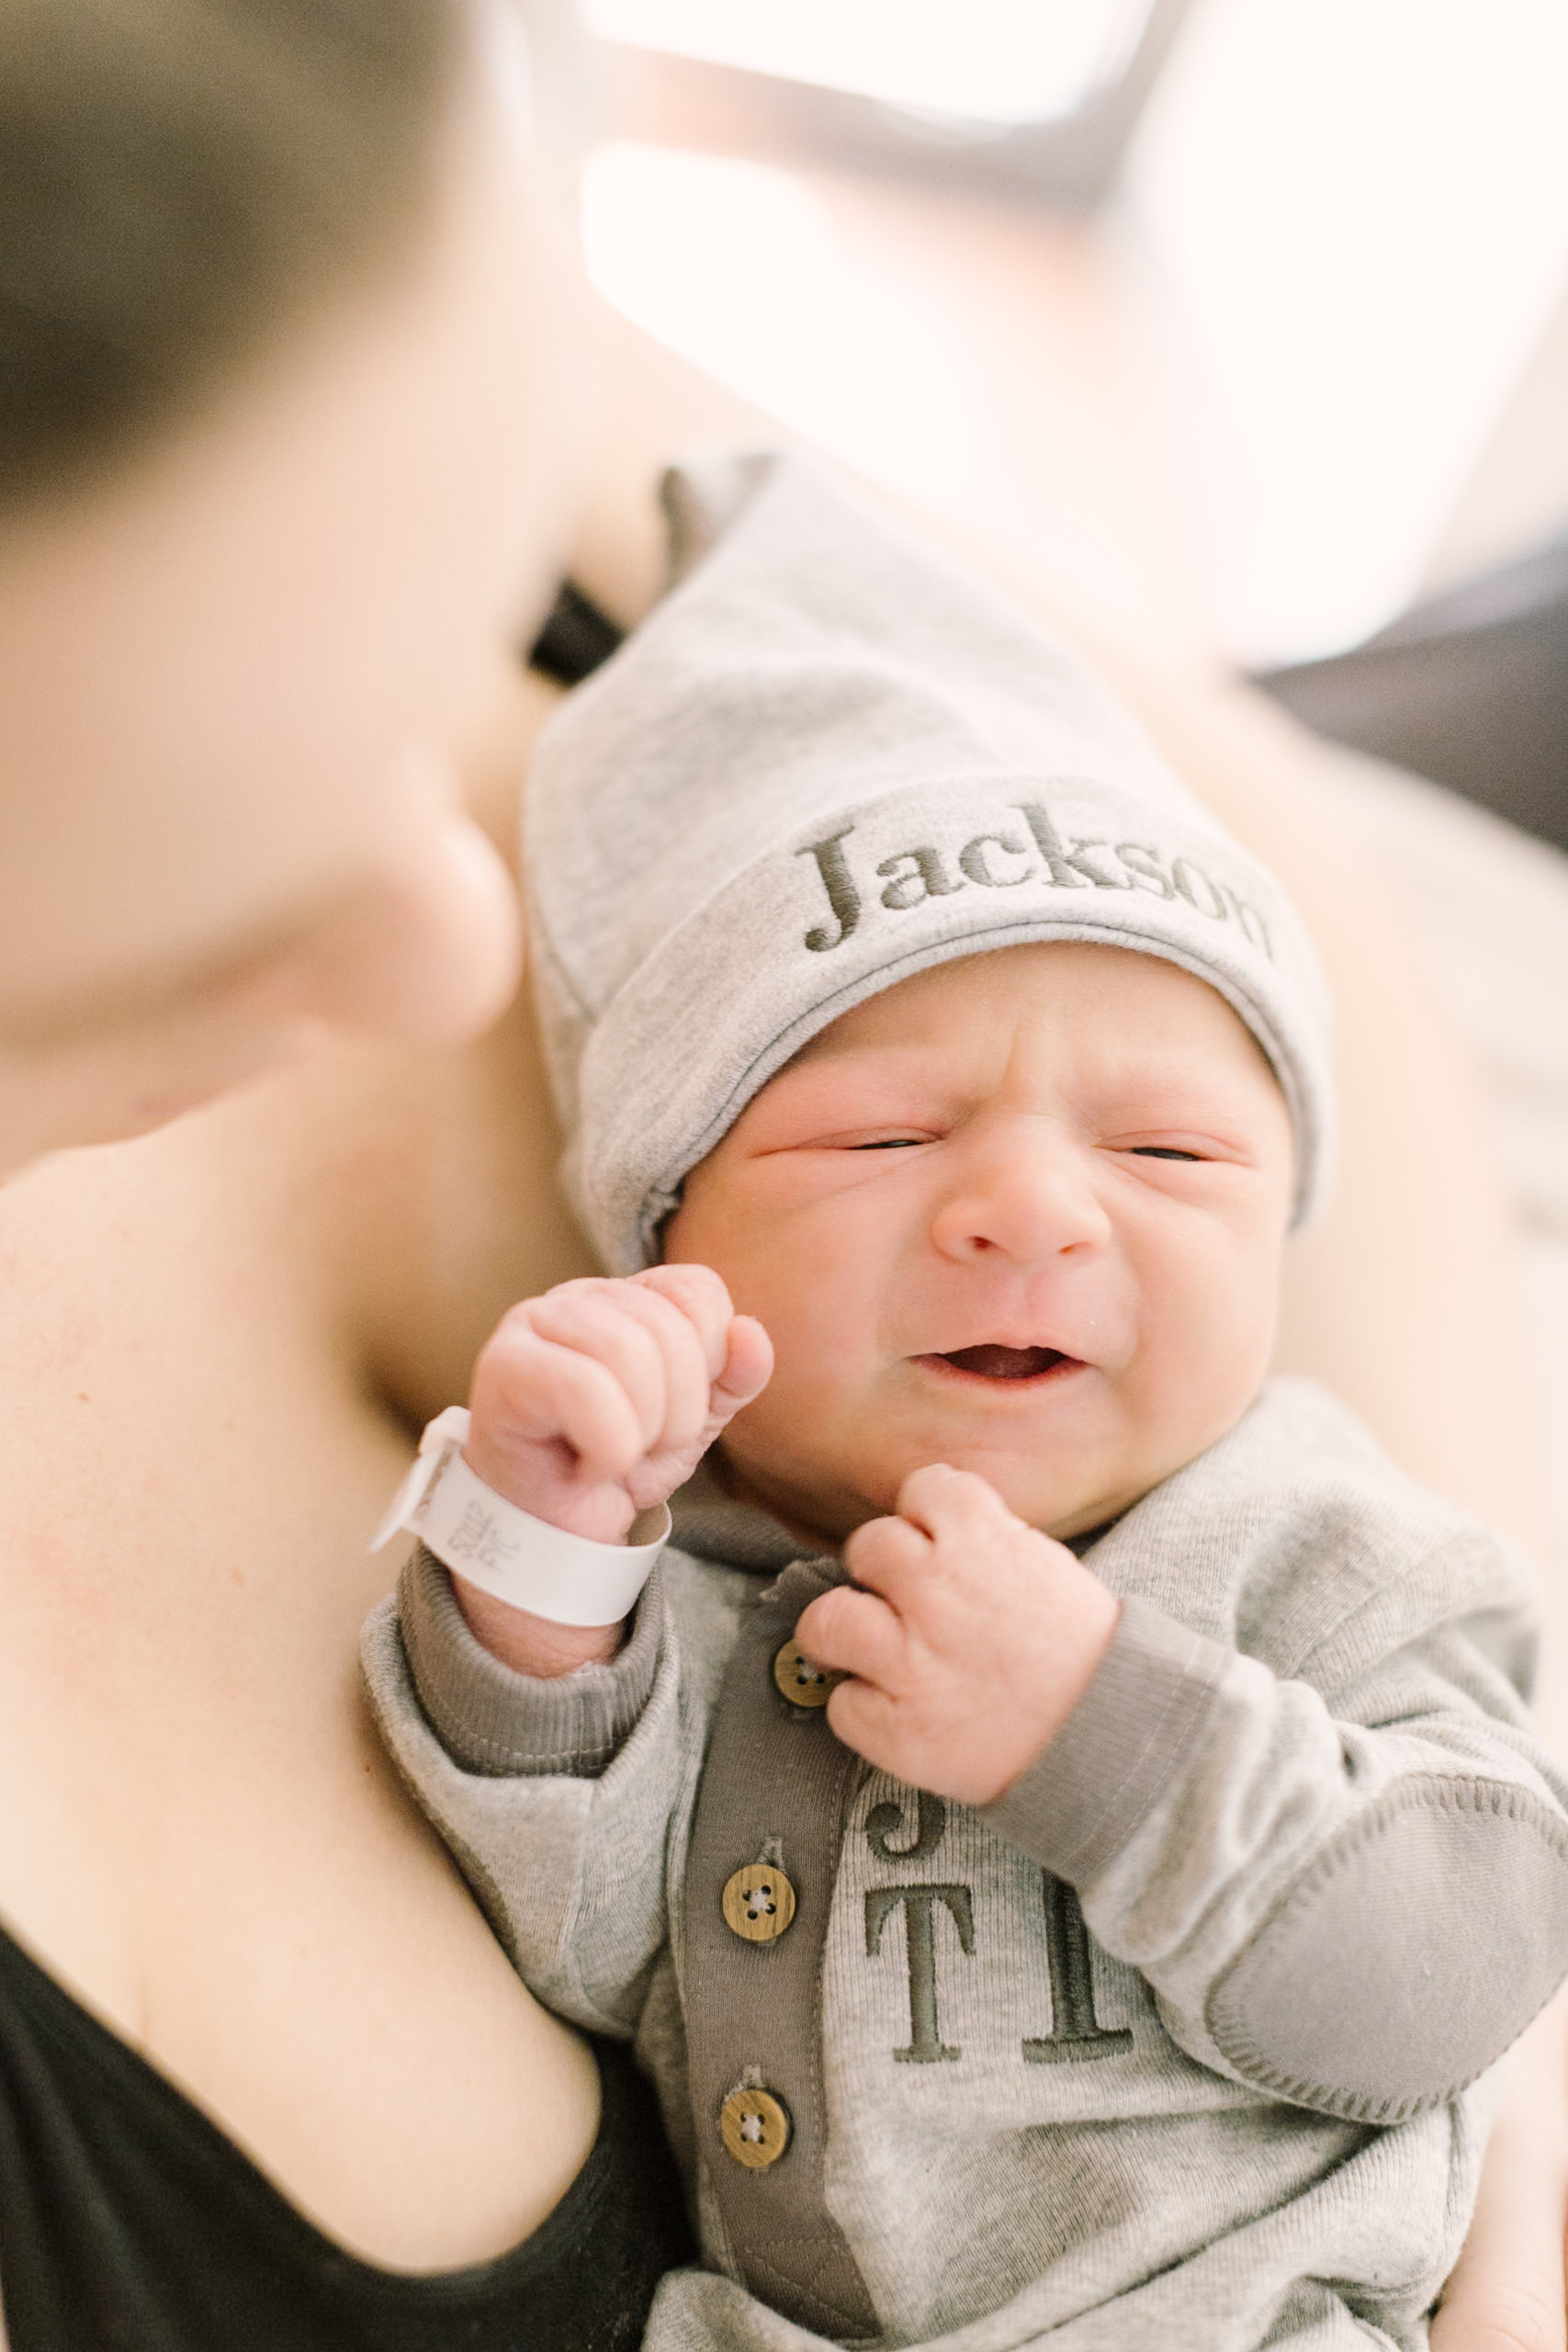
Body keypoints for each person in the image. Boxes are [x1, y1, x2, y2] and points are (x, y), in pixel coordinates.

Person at [0, 0, 1562, 2344]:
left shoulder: (234, 148)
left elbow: (1227, 859)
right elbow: (613, 1870)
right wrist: (533, 1576)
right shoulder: (751, 1616)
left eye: (433, 655)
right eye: (190, 894)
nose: (467, 944)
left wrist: (1481, 2080)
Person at [366, 455, 1568, 2348]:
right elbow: (591, 1932)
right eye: (883, 1129)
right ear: (671, 1217)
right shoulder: (706, 1596)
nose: (1028, 1203)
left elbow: (1462, 1970)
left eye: (1170, 1149)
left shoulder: (1314, 1552)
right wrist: (541, 1560)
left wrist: (1100, 1722)